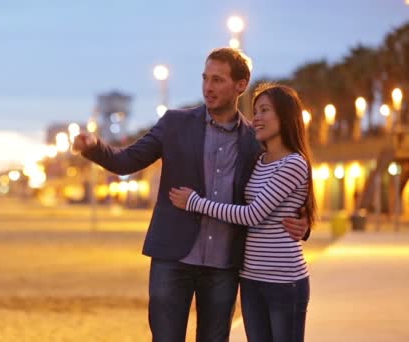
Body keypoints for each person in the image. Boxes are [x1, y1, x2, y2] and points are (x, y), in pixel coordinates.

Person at [73, 48, 309, 342]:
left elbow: (280, 192)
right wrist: (95, 146)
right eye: (205, 78)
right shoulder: (174, 123)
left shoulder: (254, 140)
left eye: (218, 80)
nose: (208, 88)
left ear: (241, 84)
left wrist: (303, 222)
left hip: (224, 266)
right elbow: (127, 161)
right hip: (172, 259)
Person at [169, 83, 315, 342]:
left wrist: (195, 202)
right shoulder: (259, 161)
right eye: (256, 111)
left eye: (265, 110)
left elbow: (252, 215)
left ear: (285, 115)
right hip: (250, 278)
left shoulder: (293, 163)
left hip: (284, 280)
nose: (256, 118)